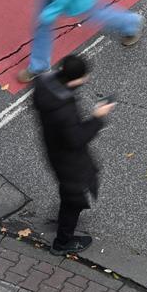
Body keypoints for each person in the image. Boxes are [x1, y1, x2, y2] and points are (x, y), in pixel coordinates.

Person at [32, 54, 111, 255]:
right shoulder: (64, 110)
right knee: (73, 199)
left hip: (54, 150)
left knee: (70, 193)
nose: (86, 80)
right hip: (68, 161)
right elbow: (76, 139)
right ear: (75, 79)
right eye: (84, 77)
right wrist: (97, 118)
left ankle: (65, 221)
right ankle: (62, 243)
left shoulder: (43, 84)